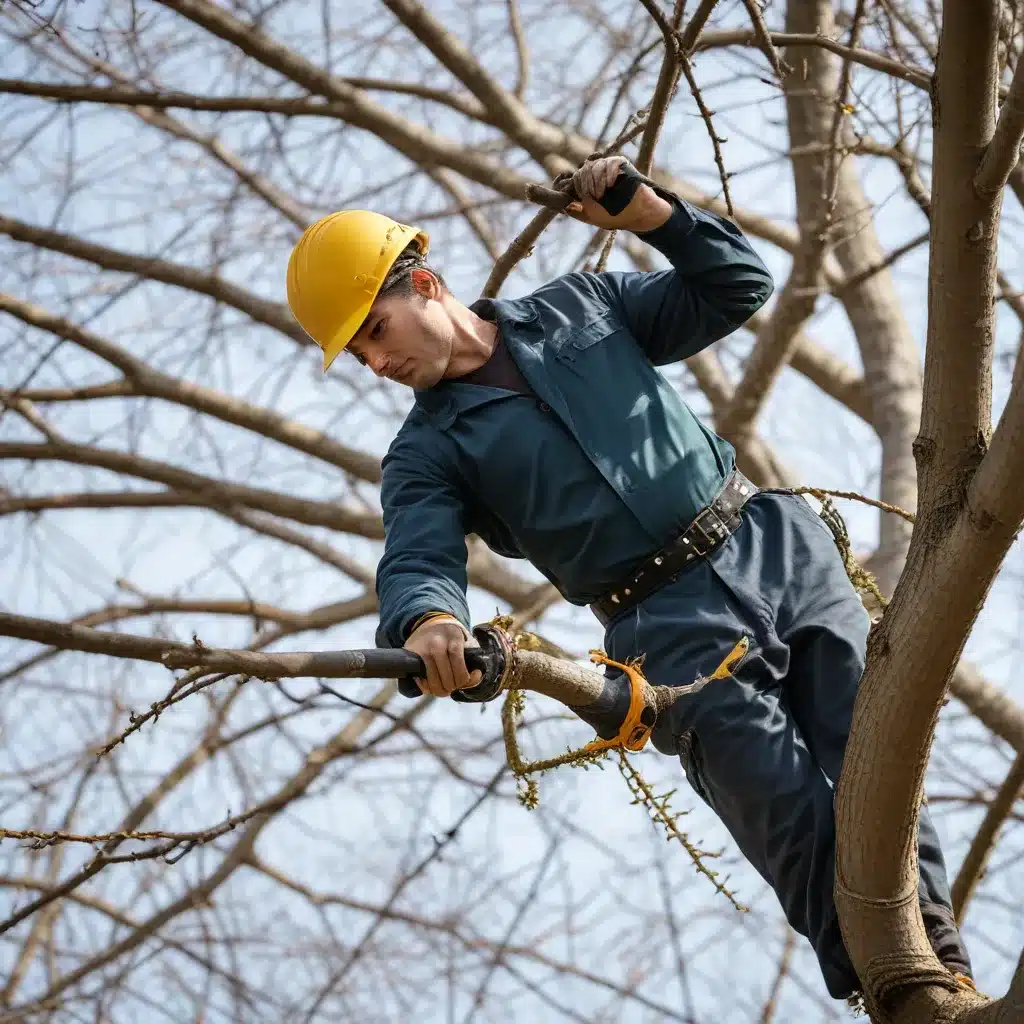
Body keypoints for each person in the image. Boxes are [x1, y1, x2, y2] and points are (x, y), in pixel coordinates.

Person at [284, 157, 973, 1001]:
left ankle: (942, 950)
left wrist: (645, 211)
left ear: (424, 283)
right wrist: (429, 624)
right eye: (354, 353)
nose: (372, 361)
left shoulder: (583, 308)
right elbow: (418, 555)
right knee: (782, 809)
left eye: (375, 330)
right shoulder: (428, 452)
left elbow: (736, 285)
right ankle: (898, 989)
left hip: (772, 544)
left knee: (879, 752)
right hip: (667, 625)